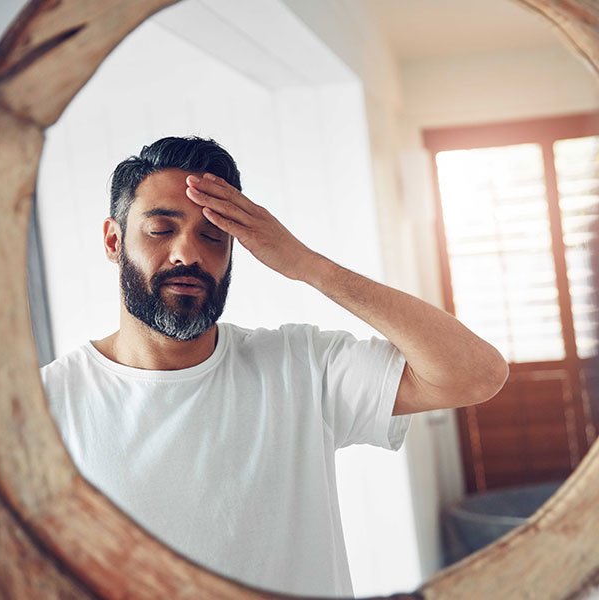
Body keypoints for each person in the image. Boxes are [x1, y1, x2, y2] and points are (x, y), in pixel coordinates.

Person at [41, 136, 508, 598]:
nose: (189, 254)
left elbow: (476, 373)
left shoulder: (300, 366)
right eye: (161, 230)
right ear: (112, 240)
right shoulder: (46, 404)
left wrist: (307, 265)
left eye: (213, 235)